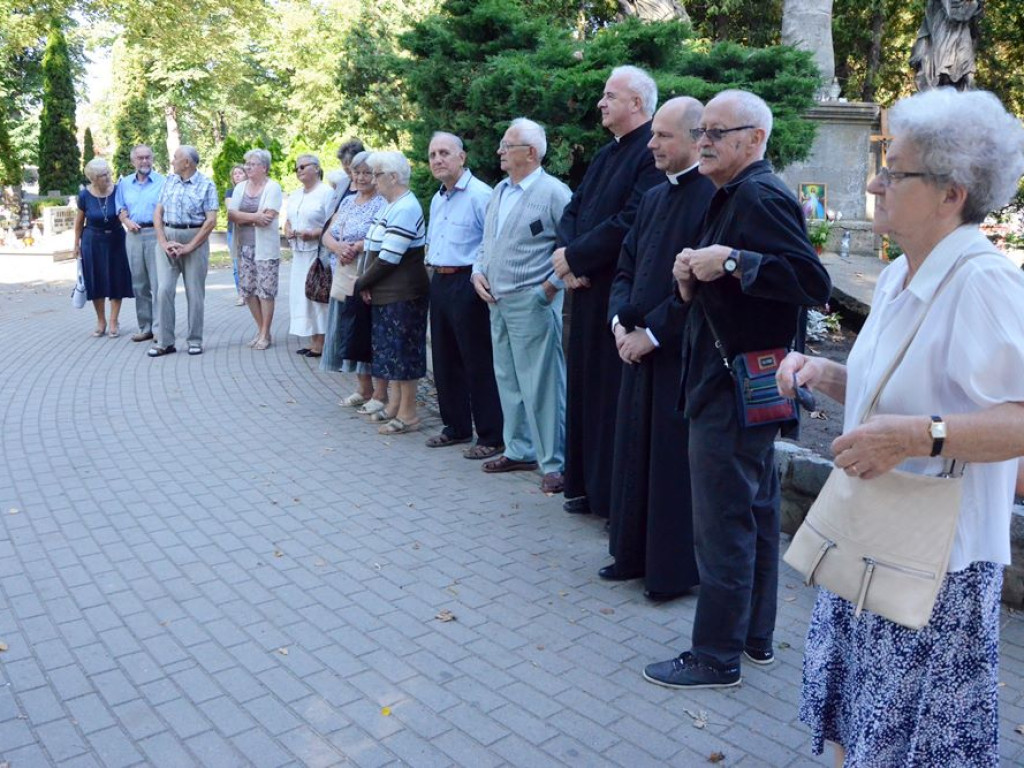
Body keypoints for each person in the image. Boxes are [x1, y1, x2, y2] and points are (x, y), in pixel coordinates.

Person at [777, 87, 1024, 767]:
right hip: (872, 536)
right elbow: (904, 392)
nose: (877, 182)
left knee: (908, 745)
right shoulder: (896, 276)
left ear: (952, 193)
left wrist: (919, 439)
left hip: (936, 564)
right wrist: (827, 377)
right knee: (856, 730)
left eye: (897, 170)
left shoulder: (984, 283)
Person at [643, 90, 831, 688]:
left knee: (725, 521)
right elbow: (747, 286)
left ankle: (715, 655)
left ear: (755, 140)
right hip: (745, 382)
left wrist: (727, 261)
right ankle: (752, 638)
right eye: (702, 130)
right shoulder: (736, 193)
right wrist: (691, 278)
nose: (704, 141)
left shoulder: (758, 192)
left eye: (718, 132)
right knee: (751, 511)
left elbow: (811, 280)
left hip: (733, 389)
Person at [602, 97, 713, 599]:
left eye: (663, 136)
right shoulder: (652, 197)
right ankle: (630, 555)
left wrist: (653, 335)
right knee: (632, 453)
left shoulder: (710, 199)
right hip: (635, 349)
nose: (651, 144)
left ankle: (668, 572)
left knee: (667, 464)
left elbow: (697, 290)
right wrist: (621, 324)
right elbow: (627, 266)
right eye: (653, 135)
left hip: (675, 355)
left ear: (695, 139)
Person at [553, 65, 663, 517]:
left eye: (609, 95)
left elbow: (632, 222)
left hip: (616, 292)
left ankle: (610, 496)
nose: (600, 103)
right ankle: (584, 486)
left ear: (637, 103)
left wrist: (577, 258)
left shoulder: (648, 154)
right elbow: (574, 209)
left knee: (609, 396)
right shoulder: (605, 154)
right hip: (584, 286)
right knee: (584, 389)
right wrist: (566, 255)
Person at [472, 118, 572, 494]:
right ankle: (519, 449)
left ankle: (554, 463)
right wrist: (477, 272)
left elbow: (572, 245)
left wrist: (549, 287)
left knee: (543, 385)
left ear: (530, 152)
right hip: (495, 300)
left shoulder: (554, 192)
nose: (499, 151)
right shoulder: (500, 190)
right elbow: (487, 241)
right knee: (509, 381)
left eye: (506, 145)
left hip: (532, 303)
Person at [423, 132, 503, 460]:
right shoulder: (437, 198)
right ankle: (454, 426)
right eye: (432, 155)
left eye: (444, 153)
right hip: (439, 282)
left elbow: (492, 242)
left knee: (477, 361)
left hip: (468, 283)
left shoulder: (481, 195)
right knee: (444, 360)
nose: (438, 159)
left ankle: (491, 435)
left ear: (462, 157)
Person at [352, 151, 430, 435]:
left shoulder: (406, 207)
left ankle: (409, 414)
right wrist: (369, 284)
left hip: (404, 294)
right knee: (391, 353)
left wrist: (362, 282)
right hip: (388, 293)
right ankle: (395, 405)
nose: (373, 180)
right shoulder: (390, 204)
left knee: (404, 353)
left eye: (377, 174)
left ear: (393, 177)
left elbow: (389, 257)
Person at [320, 150, 387, 408]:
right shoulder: (348, 201)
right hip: (343, 276)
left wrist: (357, 246)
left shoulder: (383, 202)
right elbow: (328, 234)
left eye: (366, 172)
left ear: (376, 175)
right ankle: (363, 389)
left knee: (367, 332)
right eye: (356, 172)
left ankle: (380, 393)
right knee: (350, 331)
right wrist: (337, 247)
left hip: (366, 275)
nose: (359, 177)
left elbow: (381, 234)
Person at [150, 145, 219, 357]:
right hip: (168, 239)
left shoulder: (206, 184)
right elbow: (158, 213)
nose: (172, 161)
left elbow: (211, 221)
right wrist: (163, 242)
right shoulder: (169, 181)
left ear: (187, 162)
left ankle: (195, 340)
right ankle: (165, 342)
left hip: (194, 240)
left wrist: (190, 246)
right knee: (163, 290)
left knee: (195, 293)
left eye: (175, 158)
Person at [227, 149, 283, 351]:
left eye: (252, 164)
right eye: (246, 164)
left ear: (264, 167)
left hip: (265, 248)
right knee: (248, 290)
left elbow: (267, 218)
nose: (247, 167)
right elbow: (232, 215)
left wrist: (245, 217)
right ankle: (262, 331)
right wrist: (254, 217)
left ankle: (265, 332)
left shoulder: (273, 187)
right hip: (244, 246)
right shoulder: (240, 187)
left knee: (266, 291)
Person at [74, 157, 134, 338]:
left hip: (116, 239)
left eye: (108, 172)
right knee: (96, 280)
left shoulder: (118, 190)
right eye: (102, 175)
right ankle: (101, 320)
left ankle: (114, 320)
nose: (107, 177)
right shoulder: (85, 196)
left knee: (117, 279)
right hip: (92, 241)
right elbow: (79, 222)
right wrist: (75, 245)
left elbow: (127, 211)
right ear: (93, 178)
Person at [114, 144, 165, 341]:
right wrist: (125, 220)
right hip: (134, 236)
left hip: (156, 233)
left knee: (157, 282)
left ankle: (160, 328)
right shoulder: (124, 184)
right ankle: (145, 327)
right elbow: (120, 207)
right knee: (139, 284)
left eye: (147, 157)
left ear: (152, 159)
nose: (144, 161)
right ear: (133, 161)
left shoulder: (163, 182)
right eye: (140, 158)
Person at [285, 153, 332, 357]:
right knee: (301, 296)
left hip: (317, 253)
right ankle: (312, 338)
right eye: (296, 168)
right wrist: (287, 229)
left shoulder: (326, 193)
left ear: (316, 168)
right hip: (298, 252)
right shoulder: (295, 195)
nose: (299, 171)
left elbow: (334, 225)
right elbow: (287, 219)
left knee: (317, 295)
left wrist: (313, 233)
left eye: (303, 166)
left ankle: (322, 341)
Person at [225, 164, 247, 305]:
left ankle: (252, 292)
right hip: (234, 231)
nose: (237, 175)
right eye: (235, 174)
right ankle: (241, 294)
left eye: (240, 173)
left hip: (250, 230)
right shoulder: (230, 192)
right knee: (236, 263)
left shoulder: (252, 191)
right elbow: (232, 210)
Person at [327, 139, 365, 213]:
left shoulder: (370, 183)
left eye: (349, 162)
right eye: (343, 163)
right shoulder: (341, 183)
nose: (346, 167)